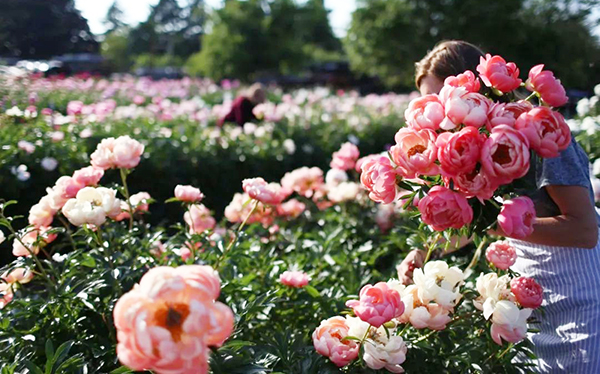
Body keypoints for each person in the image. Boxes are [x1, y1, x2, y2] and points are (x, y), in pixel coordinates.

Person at [396, 40, 600, 373]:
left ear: (472, 93)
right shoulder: (466, 150)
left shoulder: (539, 133)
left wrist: (495, 224)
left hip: (580, 297)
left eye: (439, 102)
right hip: (528, 301)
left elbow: (584, 230)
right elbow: (474, 221)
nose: (435, 121)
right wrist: (424, 253)